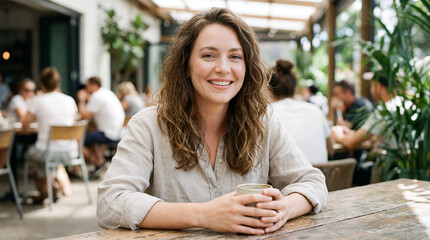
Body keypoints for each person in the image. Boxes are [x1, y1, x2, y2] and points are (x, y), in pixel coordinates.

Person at [97, 8, 327, 235]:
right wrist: (203, 215)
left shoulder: (263, 121)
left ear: (247, 68)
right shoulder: (148, 125)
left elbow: (311, 181)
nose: (223, 68)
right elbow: (110, 203)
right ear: (186, 65)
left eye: (235, 57)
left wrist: (283, 208)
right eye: (209, 55)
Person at [23, 67, 78, 201]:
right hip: (70, 151)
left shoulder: (38, 101)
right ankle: (50, 185)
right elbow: (73, 124)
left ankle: (46, 187)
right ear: (58, 83)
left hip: (48, 152)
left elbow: (24, 124)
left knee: (30, 155)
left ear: (42, 85)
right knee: (45, 155)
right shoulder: (70, 100)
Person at [269, 60, 333, 163]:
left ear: (268, 91)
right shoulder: (315, 110)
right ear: (295, 90)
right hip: (321, 177)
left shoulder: (267, 113)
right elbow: (330, 150)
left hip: (286, 178)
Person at [77, 77, 124, 177]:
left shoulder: (97, 96)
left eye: (87, 86)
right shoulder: (106, 93)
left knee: (77, 139)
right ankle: (99, 162)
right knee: (91, 132)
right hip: (117, 131)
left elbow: (83, 114)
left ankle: (98, 162)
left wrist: (81, 99)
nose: (85, 89)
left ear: (93, 85)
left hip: (109, 133)